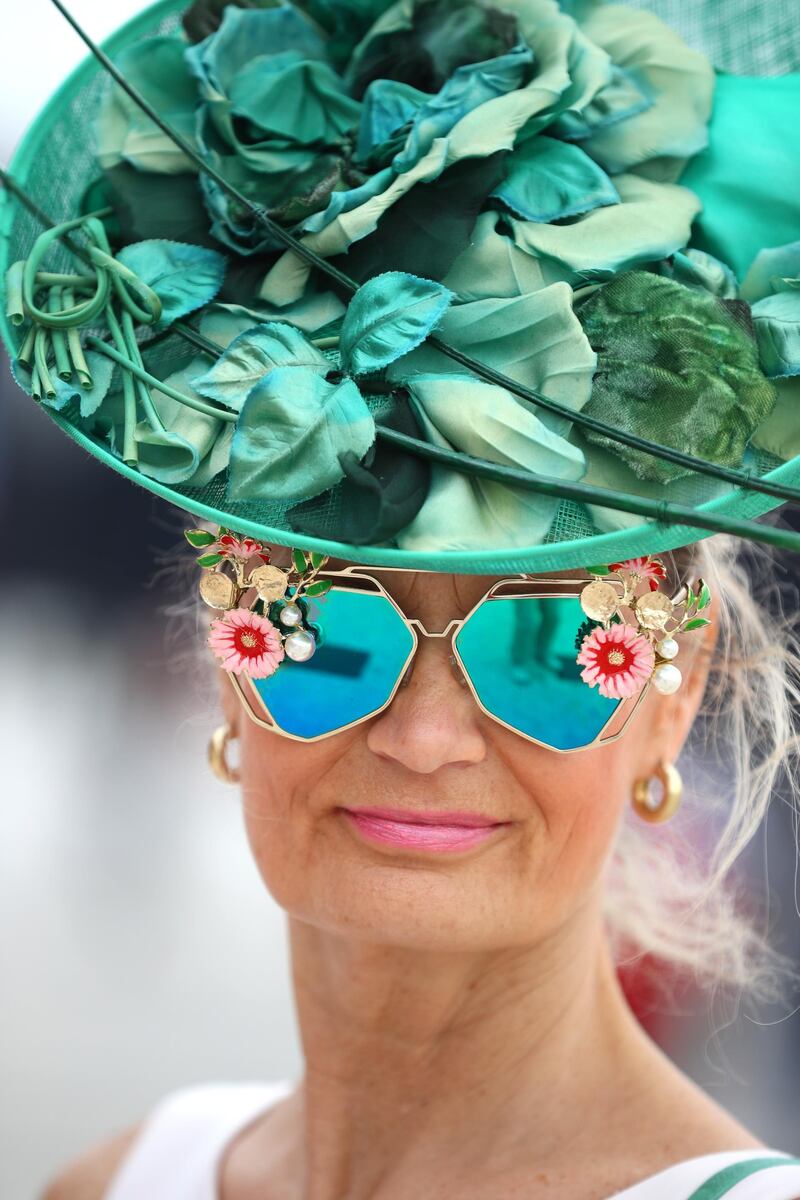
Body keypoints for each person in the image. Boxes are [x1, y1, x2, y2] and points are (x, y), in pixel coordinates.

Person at [3, 0, 800, 1197]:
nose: (424, 741)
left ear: (668, 699)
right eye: (326, 626)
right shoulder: (118, 1178)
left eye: (544, 638)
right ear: (227, 654)